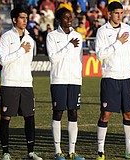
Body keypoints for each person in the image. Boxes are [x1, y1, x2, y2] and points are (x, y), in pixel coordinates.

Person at [95, 2, 130, 160]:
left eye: (121, 13)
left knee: (129, 114)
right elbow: (99, 55)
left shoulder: (127, 29)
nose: (119, 15)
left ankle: (129, 150)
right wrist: (117, 43)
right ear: (109, 14)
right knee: (106, 114)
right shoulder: (102, 31)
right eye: (116, 13)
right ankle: (100, 152)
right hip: (110, 77)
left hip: (127, 78)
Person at [0, 7, 42, 160]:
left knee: (30, 116)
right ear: (14, 19)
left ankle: (31, 152)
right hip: (10, 82)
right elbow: (2, 60)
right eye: (22, 17)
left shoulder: (30, 39)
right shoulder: (6, 37)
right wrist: (21, 50)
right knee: (6, 117)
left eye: (26, 17)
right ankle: (6, 152)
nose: (25, 20)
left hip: (26, 84)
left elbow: (29, 62)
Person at [46, 7, 85, 160]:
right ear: (58, 20)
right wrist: (69, 45)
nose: (69, 20)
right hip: (59, 79)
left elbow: (80, 59)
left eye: (71, 17)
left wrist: (78, 76)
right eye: (66, 18)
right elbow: (53, 58)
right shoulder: (52, 36)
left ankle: (71, 151)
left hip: (74, 80)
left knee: (73, 113)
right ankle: (58, 151)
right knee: (58, 112)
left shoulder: (77, 36)